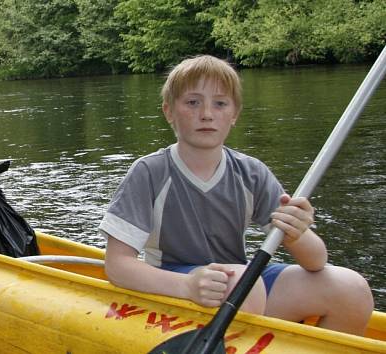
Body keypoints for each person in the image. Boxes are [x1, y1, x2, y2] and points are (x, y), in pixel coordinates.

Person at [98, 55, 374, 335]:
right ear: (169, 112)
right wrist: (188, 286)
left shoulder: (251, 173)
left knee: (350, 289)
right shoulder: (149, 172)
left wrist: (296, 232)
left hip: (240, 288)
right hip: (175, 286)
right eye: (192, 102)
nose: (207, 113)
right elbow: (118, 265)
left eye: (220, 103)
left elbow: (316, 261)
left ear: (234, 114)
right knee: (241, 284)